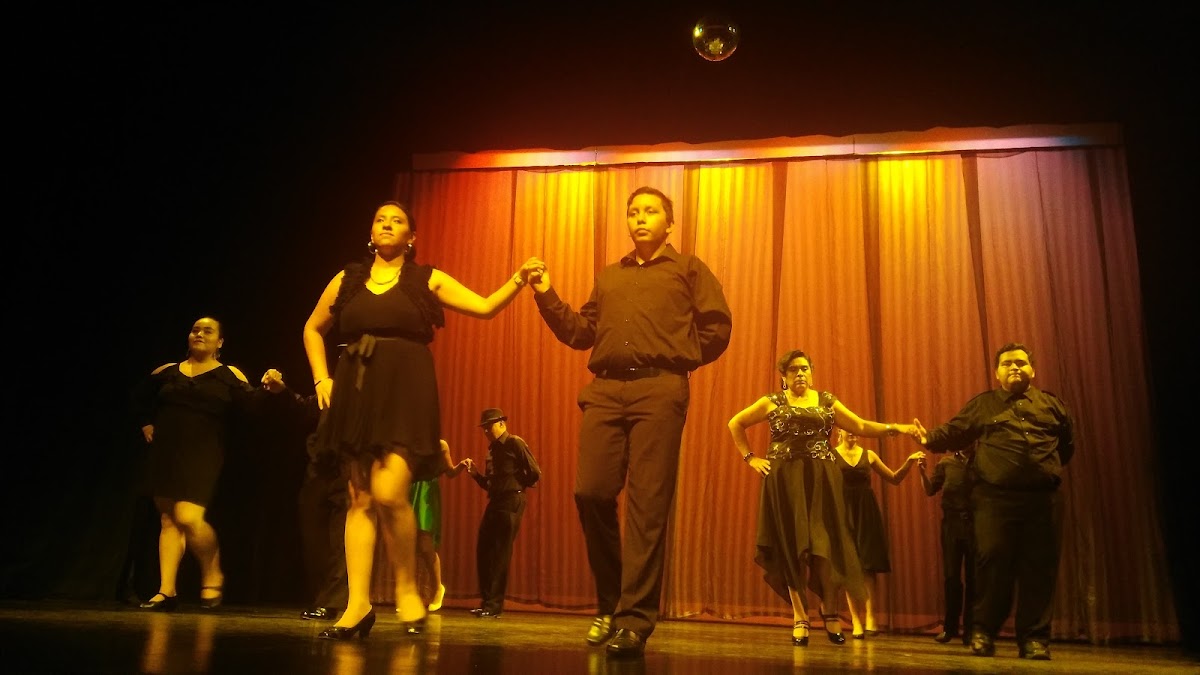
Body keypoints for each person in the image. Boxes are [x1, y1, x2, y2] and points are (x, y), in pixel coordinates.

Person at [303, 200, 543, 640]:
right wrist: (321, 378)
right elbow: (312, 328)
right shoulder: (348, 279)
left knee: (389, 491)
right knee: (359, 498)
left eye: (396, 221)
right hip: (357, 390)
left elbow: (484, 306)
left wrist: (518, 279)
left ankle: (407, 588)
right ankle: (357, 605)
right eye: (380, 219)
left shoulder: (425, 279)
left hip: (405, 392)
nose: (386, 224)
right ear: (370, 232)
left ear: (411, 237)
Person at [529, 186, 733, 657]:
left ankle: (635, 621)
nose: (640, 218)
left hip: (660, 391)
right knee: (591, 492)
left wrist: (680, 358)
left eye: (650, 212)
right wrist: (546, 293)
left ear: (669, 223)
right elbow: (581, 332)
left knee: (647, 506)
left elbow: (718, 325)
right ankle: (612, 601)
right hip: (605, 391)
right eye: (633, 212)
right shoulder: (610, 276)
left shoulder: (688, 269)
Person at [728, 350, 923, 647]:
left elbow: (860, 426)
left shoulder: (826, 401)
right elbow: (735, 423)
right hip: (784, 480)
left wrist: (899, 428)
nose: (800, 373)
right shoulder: (773, 401)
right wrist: (750, 458)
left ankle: (829, 610)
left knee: (824, 546)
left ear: (812, 372)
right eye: (793, 370)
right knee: (792, 546)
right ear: (784, 376)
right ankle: (800, 617)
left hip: (821, 480)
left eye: (804, 368)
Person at [914, 342, 1074, 660]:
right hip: (995, 500)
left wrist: (1042, 470)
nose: (1014, 367)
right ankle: (984, 633)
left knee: (1040, 569)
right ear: (996, 372)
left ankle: (1034, 640)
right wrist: (927, 437)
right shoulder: (984, 404)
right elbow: (955, 431)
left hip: (1043, 501)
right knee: (991, 564)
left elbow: (1066, 446)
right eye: (1006, 363)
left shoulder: (1052, 405)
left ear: (1032, 370)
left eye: (1020, 362)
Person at [131, 316, 288, 611]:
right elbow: (138, 399)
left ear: (220, 342)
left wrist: (271, 388)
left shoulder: (228, 375)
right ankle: (166, 590)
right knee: (168, 519)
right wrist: (146, 424)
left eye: (207, 331)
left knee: (188, 516)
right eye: (195, 330)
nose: (199, 334)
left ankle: (212, 570)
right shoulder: (167, 372)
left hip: (203, 451)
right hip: (166, 450)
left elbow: (253, 405)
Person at [833, 428, 925, 638]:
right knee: (849, 567)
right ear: (840, 432)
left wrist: (909, 461)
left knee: (868, 566)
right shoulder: (831, 455)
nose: (853, 434)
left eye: (855, 431)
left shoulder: (869, 455)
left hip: (866, 512)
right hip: (842, 512)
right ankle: (855, 621)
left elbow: (894, 478)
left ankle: (870, 617)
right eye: (848, 430)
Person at [464, 409, 538, 618]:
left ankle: (494, 606)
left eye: (490, 426)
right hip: (496, 501)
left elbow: (534, 472)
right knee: (484, 549)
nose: (486, 431)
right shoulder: (492, 451)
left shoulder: (514, 443)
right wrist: (475, 475)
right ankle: (487, 601)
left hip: (511, 500)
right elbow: (490, 485)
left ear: (502, 424)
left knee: (500, 553)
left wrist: (516, 486)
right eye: (484, 428)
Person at [918, 445, 976, 646]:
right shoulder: (946, 463)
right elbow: (929, 490)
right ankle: (950, 628)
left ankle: (971, 630)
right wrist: (922, 472)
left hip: (976, 525)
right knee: (951, 577)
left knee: (974, 579)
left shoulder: (984, 461)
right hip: (951, 524)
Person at [413, 439, 470, 612]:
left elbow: (450, 472)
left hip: (426, 493)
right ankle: (412, 594)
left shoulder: (440, 445)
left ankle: (438, 588)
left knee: (425, 544)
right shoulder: (409, 442)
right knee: (409, 545)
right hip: (408, 490)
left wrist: (461, 466)